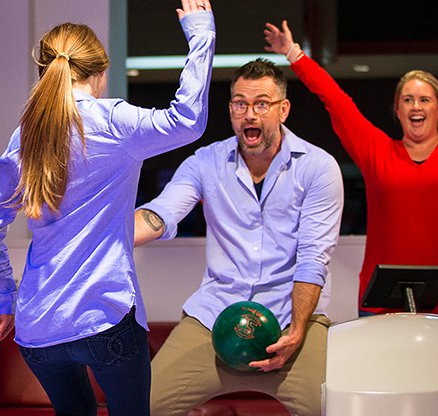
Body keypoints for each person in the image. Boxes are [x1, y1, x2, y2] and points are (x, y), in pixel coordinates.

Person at [0, 1, 216, 413]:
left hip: (40, 328)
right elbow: (188, 120)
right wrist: (201, 32)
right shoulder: (114, 122)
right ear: (100, 75)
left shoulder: (23, 138)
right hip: (104, 317)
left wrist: (3, 299)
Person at [263, 0, 438, 317]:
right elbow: (335, 100)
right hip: (382, 306)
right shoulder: (377, 151)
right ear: (398, 111)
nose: (416, 106)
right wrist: (293, 53)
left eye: (425, 99)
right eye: (408, 100)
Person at [135, 58, 344, 415]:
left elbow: (313, 258)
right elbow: (161, 213)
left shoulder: (318, 167)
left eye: (262, 103)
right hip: (215, 317)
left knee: (331, 409)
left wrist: (295, 333)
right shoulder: (205, 162)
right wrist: (105, 231)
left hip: (291, 321)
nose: (250, 114)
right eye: (239, 103)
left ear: (283, 109)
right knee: (143, 406)